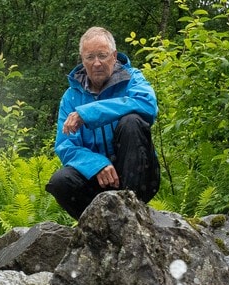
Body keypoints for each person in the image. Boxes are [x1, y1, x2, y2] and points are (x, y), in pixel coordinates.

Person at [46, 26, 160, 221]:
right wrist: (97, 165)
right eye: (90, 57)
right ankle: (100, 227)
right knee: (60, 182)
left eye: (102, 55)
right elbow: (65, 145)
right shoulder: (71, 97)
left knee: (132, 121)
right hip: (97, 179)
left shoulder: (132, 78)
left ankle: (131, 215)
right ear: (82, 60)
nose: (97, 63)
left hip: (138, 175)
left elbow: (147, 105)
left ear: (114, 56)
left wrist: (88, 113)